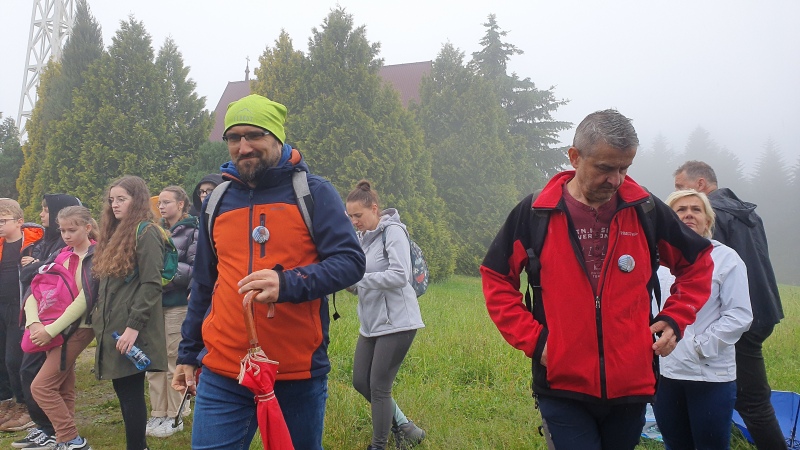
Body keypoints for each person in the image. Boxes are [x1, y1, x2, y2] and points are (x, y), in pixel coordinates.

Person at [480, 109, 715, 450]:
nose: (615, 180)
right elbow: (496, 277)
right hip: (562, 383)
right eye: (605, 168)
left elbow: (698, 263)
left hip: (631, 383)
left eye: (624, 168)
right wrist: (535, 340)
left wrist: (676, 317)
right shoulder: (536, 212)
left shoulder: (645, 209)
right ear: (575, 157)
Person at [174, 94, 365, 449]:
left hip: (295, 371)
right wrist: (188, 353)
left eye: (254, 135)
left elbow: (351, 262)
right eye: (234, 138)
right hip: (224, 370)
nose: (243, 146)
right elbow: (203, 284)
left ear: (277, 137)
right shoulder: (217, 201)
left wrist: (288, 282)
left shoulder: (313, 192)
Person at [673, 161, 786, 450]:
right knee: (744, 395)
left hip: (737, 318)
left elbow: (707, 277)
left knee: (753, 401)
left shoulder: (714, 215)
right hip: (764, 308)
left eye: (681, 186)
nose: (681, 196)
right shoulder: (746, 212)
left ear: (700, 185)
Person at [653, 189, 752, 450]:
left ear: (707, 220)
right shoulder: (658, 262)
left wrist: (699, 347)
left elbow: (739, 314)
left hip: (710, 376)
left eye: (696, 209)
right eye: (680, 210)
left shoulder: (726, 259)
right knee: (675, 444)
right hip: (665, 374)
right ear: (668, 220)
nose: (688, 214)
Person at [345, 180, 426, 450]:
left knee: (379, 387)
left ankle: (378, 445)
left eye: (358, 215)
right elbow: (362, 282)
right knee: (360, 381)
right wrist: (347, 282)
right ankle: (406, 427)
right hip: (371, 324)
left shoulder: (393, 231)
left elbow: (400, 275)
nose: (354, 221)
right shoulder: (361, 240)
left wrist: (359, 279)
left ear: (374, 209)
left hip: (398, 323)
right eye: (350, 216)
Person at [91, 175, 167, 450]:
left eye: (122, 199)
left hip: (133, 327)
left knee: (131, 392)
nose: (114, 204)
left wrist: (133, 327)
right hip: (115, 325)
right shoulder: (115, 233)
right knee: (124, 391)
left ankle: (138, 446)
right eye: (112, 199)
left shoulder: (146, 232)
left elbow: (151, 284)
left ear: (138, 200)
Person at [26, 206, 99, 450]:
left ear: (87, 228)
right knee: (63, 385)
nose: (66, 235)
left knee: (41, 387)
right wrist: (34, 322)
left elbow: (85, 299)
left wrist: (50, 330)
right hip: (51, 328)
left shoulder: (96, 255)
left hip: (78, 328)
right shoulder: (61, 255)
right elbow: (37, 288)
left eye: (72, 230)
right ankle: (65, 440)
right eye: (62, 230)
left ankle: (71, 438)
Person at [10, 194, 81, 445]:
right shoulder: (44, 242)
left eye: (46, 210)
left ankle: (54, 430)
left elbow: (43, 271)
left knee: (37, 377)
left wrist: (36, 265)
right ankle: (51, 429)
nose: (41, 215)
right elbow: (27, 273)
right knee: (44, 376)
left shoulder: (66, 246)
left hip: (57, 320)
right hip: (38, 315)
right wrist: (37, 265)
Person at [145, 186, 197, 438]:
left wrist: (168, 274)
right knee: (154, 359)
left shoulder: (193, 230)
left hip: (178, 303)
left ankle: (176, 414)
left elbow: (196, 267)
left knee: (173, 358)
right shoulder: (154, 231)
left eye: (167, 202)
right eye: (160, 203)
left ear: (181, 204)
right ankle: (158, 412)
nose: (162, 207)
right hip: (155, 302)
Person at [0, 199, 42, 432]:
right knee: (1, 359)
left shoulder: (33, 245)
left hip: (20, 309)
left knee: (14, 359)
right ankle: (5, 401)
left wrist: (35, 263)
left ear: (19, 222)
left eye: (2, 221)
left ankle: (24, 405)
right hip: (1, 307)